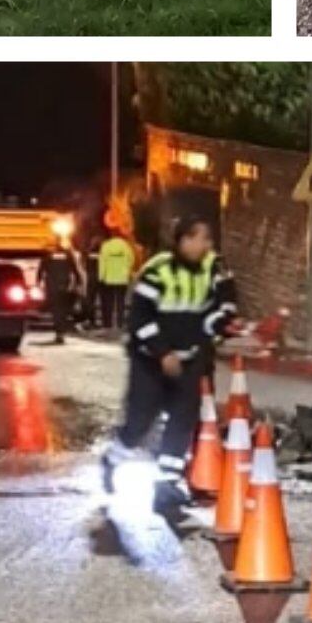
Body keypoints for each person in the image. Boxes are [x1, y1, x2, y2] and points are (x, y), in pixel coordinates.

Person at [105, 215, 237, 519]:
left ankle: (166, 485)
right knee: (140, 421)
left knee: (182, 419)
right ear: (183, 240)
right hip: (150, 360)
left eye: (208, 240)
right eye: (200, 238)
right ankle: (113, 460)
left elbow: (226, 305)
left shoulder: (214, 268)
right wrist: (163, 353)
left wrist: (223, 325)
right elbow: (139, 319)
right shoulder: (157, 270)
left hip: (189, 358)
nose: (206, 245)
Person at [41, 238, 82, 344]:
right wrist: (79, 282)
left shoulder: (49, 254)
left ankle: (58, 332)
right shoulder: (68, 254)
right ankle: (61, 332)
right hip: (64, 285)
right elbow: (75, 269)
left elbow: (42, 268)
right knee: (63, 310)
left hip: (52, 285)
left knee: (56, 311)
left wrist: (39, 281)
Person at [96, 228, 136, 331]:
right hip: (122, 278)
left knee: (109, 302)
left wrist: (101, 276)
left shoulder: (106, 246)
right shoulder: (125, 246)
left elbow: (102, 261)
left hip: (109, 278)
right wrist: (128, 270)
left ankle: (109, 323)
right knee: (121, 302)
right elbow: (131, 259)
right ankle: (120, 323)